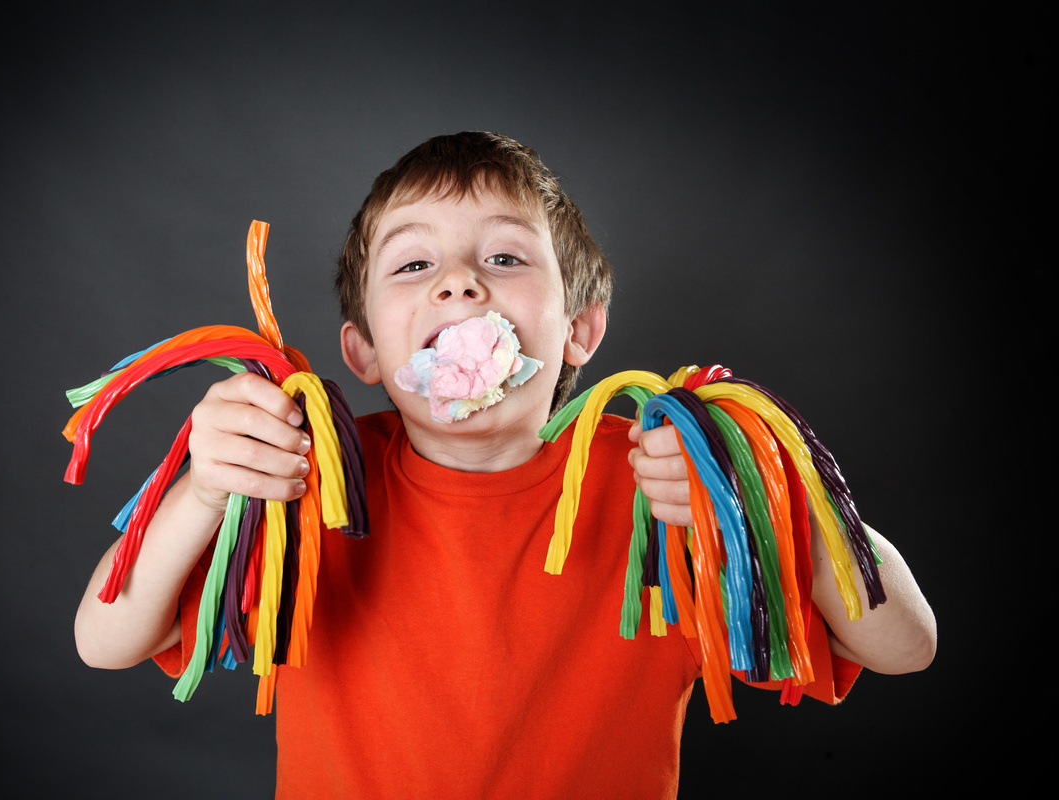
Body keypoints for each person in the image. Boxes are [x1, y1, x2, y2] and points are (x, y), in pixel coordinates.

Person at [75, 131, 936, 797]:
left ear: (580, 332)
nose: (460, 284)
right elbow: (104, 640)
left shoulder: (664, 487)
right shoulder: (308, 480)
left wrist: (761, 496)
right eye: (415, 263)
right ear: (364, 350)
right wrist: (205, 490)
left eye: (505, 257)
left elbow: (907, 647)